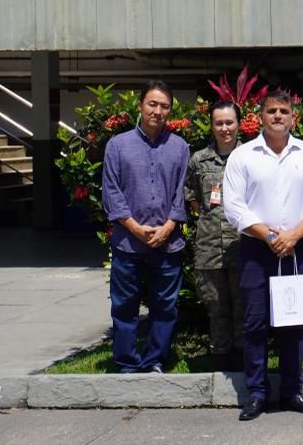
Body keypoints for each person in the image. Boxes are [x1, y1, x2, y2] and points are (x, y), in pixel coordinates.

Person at [222, 91, 303, 421]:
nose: (278, 116)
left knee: (294, 322)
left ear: (293, 117)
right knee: (255, 323)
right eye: (272, 111)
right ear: (261, 116)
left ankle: (292, 390)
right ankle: (256, 393)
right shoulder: (242, 156)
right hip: (257, 250)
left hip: (298, 249)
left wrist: (293, 235)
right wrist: (269, 235)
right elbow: (234, 206)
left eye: (284, 111)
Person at [101, 80, 189, 374]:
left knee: (165, 306)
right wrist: (135, 228)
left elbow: (182, 192)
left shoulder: (179, 147)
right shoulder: (117, 145)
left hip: (168, 243)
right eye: (152, 104)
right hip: (128, 243)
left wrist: (168, 226)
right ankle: (126, 362)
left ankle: (155, 361)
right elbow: (111, 192)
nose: (158, 111)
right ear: (140, 106)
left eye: (164, 106)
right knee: (124, 306)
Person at [184, 101, 244, 371]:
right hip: (209, 247)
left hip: (243, 245)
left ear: (238, 124)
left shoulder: (250, 156)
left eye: (229, 122)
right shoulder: (199, 160)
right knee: (216, 306)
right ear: (211, 125)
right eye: (219, 123)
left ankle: (243, 359)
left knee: (243, 305)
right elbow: (192, 196)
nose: (224, 128)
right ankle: (220, 358)